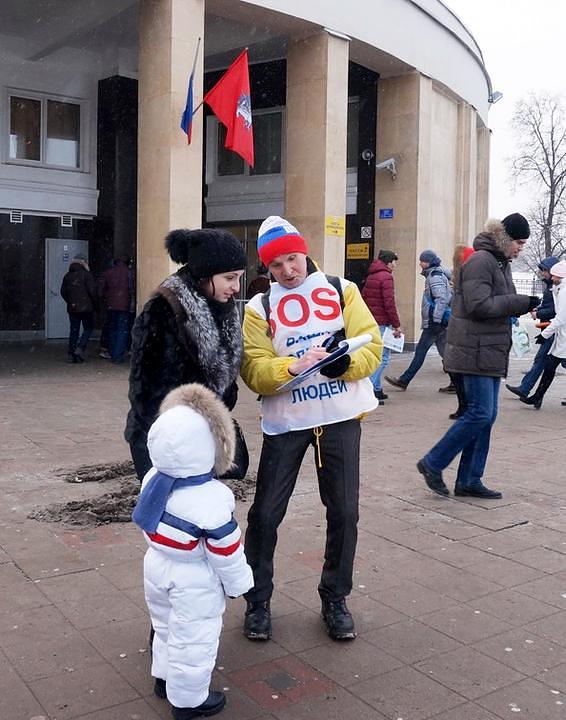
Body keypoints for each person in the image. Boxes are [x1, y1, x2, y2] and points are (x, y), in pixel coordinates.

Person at [240, 215, 382, 642]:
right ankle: (257, 601)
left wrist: (346, 363)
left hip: (338, 419)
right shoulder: (258, 307)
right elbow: (252, 367)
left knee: (344, 513)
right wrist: (291, 366)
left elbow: (370, 344)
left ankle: (335, 598)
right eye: (277, 265)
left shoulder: (343, 289)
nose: (288, 270)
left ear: (305, 253)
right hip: (286, 423)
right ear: (267, 269)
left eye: (292, 259)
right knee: (265, 514)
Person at [132, 383, 253, 720]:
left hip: (156, 568)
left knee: (166, 627)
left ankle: (164, 678)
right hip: (194, 580)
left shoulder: (154, 478)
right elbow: (226, 551)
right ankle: (189, 702)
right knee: (193, 640)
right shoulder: (211, 499)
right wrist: (241, 583)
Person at [416, 213, 540, 499]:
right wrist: (519, 302)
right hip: (474, 350)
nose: (521, 248)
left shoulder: (498, 262)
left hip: (488, 350)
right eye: (519, 242)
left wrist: (518, 305)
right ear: (506, 238)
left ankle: (470, 479)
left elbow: (495, 302)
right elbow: (478, 305)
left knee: (487, 415)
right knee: (480, 413)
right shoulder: (482, 261)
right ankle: (433, 462)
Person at [125, 228, 247, 482]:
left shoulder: (223, 309)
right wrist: (172, 439)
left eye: (239, 278)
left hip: (202, 435)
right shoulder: (163, 310)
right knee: (172, 515)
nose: (236, 288)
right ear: (205, 274)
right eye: (230, 278)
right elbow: (145, 391)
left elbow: (223, 378)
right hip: (165, 440)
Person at [385, 249, 452, 390]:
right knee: (445, 353)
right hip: (439, 322)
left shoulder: (435, 276)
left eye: (421, 261)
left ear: (427, 262)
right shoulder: (436, 274)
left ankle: (404, 380)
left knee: (420, 352)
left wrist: (436, 320)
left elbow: (441, 299)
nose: (420, 263)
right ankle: (457, 384)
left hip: (435, 323)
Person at [506, 256, 564, 399]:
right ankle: (532, 394)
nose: (542, 274)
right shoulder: (554, 288)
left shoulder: (559, 290)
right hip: (552, 331)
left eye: (544, 271)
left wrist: (538, 314)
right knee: (547, 364)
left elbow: (557, 314)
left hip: (552, 331)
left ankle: (528, 391)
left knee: (543, 362)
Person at [520, 260, 566, 409]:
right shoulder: (558, 289)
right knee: (549, 367)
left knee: (550, 366)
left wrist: (544, 335)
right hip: (561, 338)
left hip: (562, 338)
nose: (551, 278)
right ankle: (537, 397)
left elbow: (560, 318)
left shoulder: (563, 291)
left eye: (554, 276)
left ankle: (536, 397)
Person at [361, 249, 402, 401]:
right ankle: (370, 390)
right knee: (383, 358)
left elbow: (364, 297)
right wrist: (396, 324)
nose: (395, 265)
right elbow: (389, 303)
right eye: (394, 262)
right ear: (388, 262)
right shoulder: (386, 277)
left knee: (376, 355)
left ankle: (377, 389)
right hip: (382, 322)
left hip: (372, 321)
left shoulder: (372, 275)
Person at [60, 253, 97, 363]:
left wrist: (71, 302)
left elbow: (63, 292)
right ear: (84, 263)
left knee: (74, 330)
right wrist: (95, 305)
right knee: (88, 328)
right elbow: (92, 291)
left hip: (73, 308)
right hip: (87, 308)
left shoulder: (67, 275)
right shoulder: (87, 275)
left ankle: (72, 352)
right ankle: (80, 348)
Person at [99, 256, 131, 364]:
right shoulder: (129, 273)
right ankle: (118, 356)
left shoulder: (108, 272)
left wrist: (107, 298)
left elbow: (100, 290)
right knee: (122, 331)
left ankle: (113, 353)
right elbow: (132, 288)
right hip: (124, 306)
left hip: (110, 306)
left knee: (112, 330)